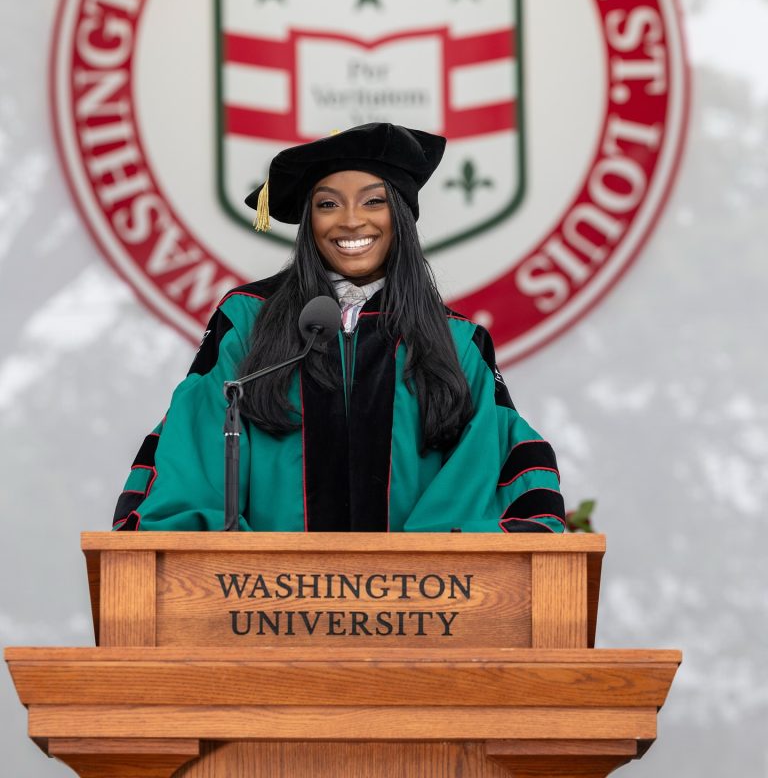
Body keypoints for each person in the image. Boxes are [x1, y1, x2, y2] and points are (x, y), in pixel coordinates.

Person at [113, 122, 565, 533]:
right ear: (309, 220)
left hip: (419, 609)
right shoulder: (249, 320)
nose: (351, 220)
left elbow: (487, 461)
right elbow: (197, 446)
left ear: (402, 218)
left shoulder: (456, 341)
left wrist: (408, 575)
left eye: (374, 201)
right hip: (264, 609)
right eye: (328, 203)